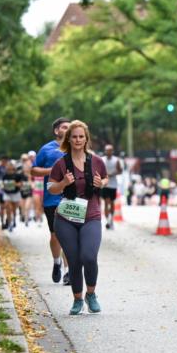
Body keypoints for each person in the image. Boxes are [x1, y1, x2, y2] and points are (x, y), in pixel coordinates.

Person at [46, 120, 108, 315]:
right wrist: (64, 182)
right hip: (66, 218)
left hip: (91, 216)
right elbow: (51, 188)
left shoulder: (96, 161)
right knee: (74, 259)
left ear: (86, 138)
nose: (78, 140)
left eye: (81, 136)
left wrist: (102, 183)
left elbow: (105, 178)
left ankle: (91, 294)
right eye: (74, 137)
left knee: (89, 256)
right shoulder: (61, 163)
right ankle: (77, 299)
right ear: (69, 139)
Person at [33, 118, 71, 285]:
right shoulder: (47, 149)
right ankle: (57, 262)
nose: (68, 129)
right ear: (57, 131)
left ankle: (69, 271)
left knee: (69, 236)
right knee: (55, 236)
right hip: (52, 198)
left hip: (72, 198)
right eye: (64, 127)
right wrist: (52, 170)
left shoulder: (76, 147)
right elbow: (33, 170)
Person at [101, 144, 123, 229]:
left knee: (112, 202)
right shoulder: (102, 159)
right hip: (104, 184)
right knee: (106, 202)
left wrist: (112, 174)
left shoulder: (116, 160)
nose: (108, 152)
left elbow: (120, 171)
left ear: (112, 151)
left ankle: (111, 219)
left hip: (113, 184)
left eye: (110, 150)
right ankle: (107, 220)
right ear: (105, 151)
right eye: (107, 150)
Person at [0, 160, 23, 232]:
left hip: (15, 193)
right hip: (7, 193)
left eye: (10, 165)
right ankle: (9, 223)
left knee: (13, 209)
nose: (9, 167)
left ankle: (14, 220)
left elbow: (21, 185)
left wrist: (14, 184)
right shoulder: (4, 175)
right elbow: (2, 184)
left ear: (13, 167)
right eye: (8, 166)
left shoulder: (17, 175)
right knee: (8, 207)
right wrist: (3, 186)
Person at [19, 156, 34, 226]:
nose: (26, 168)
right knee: (22, 207)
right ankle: (23, 215)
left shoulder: (32, 175)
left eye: (28, 167)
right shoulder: (20, 175)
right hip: (22, 193)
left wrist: (30, 180)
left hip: (29, 192)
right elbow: (17, 183)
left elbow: (34, 184)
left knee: (27, 206)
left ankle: (26, 219)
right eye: (25, 167)